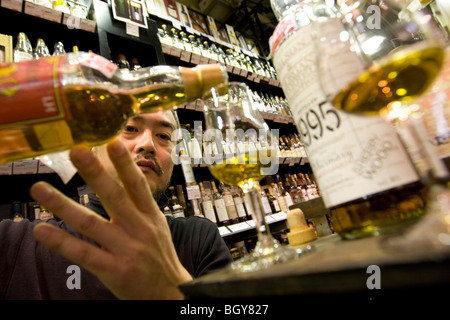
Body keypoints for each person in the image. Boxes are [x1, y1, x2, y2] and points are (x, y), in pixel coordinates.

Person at [0, 110, 233, 299]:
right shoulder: (16, 244)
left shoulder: (201, 238)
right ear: (93, 146)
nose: (147, 144)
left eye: (163, 136)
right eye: (130, 129)